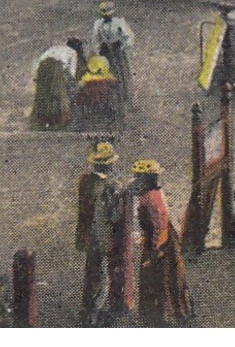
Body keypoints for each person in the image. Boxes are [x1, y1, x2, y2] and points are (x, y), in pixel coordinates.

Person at [131, 158, 192, 325]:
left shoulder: (151, 198)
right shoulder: (152, 194)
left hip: (160, 243)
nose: (136, 180)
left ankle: (161, 316)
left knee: (161, 278)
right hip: (158, 239)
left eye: (139, 177)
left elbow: (161, 226)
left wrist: (156, 251)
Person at [75, 141, 124, 326]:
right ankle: (95, 312)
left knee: (91, 271)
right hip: (103, 237)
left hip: (88, 235)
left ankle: (87, 307)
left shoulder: (85, 181)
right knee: (103, 274)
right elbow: (114, 216)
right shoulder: (111, 186)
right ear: (108, 164)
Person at [30, 37, 86, 129]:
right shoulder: (72, 53)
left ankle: (41, 121)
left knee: (43, 95)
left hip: (42, 67)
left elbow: (38, 62)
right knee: (59, 95)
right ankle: (58, 121)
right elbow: (71, 73)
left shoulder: (54, 48)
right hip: (56, 67)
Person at [91, 2, 135, 109]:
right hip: (105, 53)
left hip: (117, 52)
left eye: (108, 14)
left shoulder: (119, 23)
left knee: (123, 74)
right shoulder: (98, 24)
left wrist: (122, 46)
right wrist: (98, 51)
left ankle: (127, 100)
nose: (106, 16)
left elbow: (128, 37)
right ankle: (108, 102)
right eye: (104, 14)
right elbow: (95, 40)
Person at [71, 56, 121, 132]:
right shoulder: (111, 83)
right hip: (108, 124)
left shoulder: (84, 84)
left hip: (89, 124)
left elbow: (78, 103)